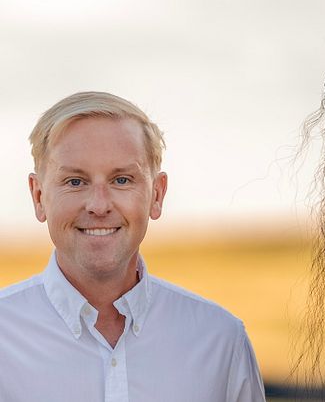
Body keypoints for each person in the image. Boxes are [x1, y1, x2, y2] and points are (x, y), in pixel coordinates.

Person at [0, 92, 265, 402]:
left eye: (122, 180)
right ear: (38, 196)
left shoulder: (220, 340)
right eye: (75, 181)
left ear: (157, 195)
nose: (99, 206)